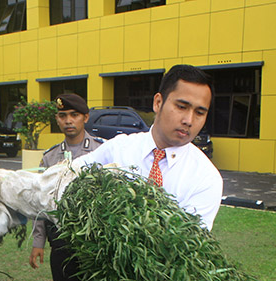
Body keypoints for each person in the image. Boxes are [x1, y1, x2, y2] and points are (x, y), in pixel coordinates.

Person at [78, 64, 223, 231]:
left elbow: (185, 245)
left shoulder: (206, 178)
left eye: (199, 113)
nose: (189, 120)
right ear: (158, 102)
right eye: (182, 107)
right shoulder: (118, 149)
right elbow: (71, 176)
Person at [29, 93, 103, 281]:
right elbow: (41, 201)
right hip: (61, 241)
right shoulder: (50, 157)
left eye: (74, 115)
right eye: (62, 115)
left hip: (94, 241)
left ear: (85, 117)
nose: (68, 120)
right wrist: (38, 241)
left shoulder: (102, 151)